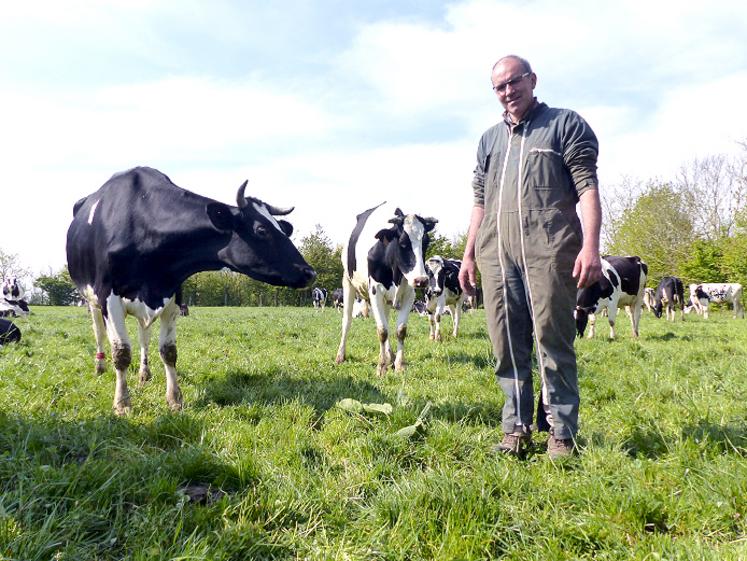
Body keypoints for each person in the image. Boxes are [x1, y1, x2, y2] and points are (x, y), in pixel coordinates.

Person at [458, 55, 602, 459]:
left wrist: (591, 246)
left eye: (513, 82)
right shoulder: (488, 140)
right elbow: (480, 202)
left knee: (552, 341)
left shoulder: (564, 124)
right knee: (505, 343)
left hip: (550, 252)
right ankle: (515, 429)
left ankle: (560, 431)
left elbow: (588, 188)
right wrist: (468, 255)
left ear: (532, 80)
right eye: (499, 87)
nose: (508, 92)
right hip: (496, 256)